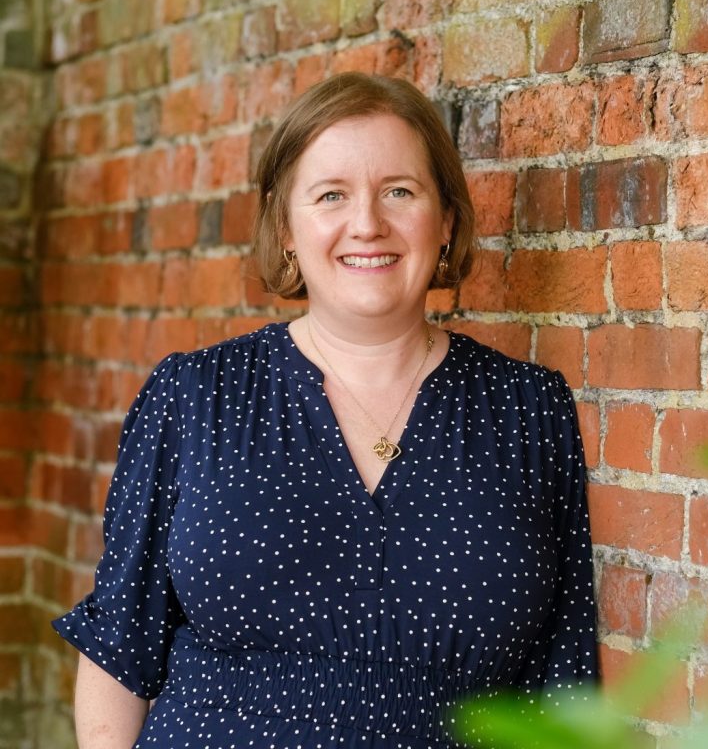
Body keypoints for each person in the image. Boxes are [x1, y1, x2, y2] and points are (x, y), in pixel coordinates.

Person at [53, 72, 598, 749]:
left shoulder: (529, 410)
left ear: (446, 220)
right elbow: (119, 644)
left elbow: (563, 681)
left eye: (400, 191)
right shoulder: (194, 397)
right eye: (331, 195)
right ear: (286, 226)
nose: (367, 224)